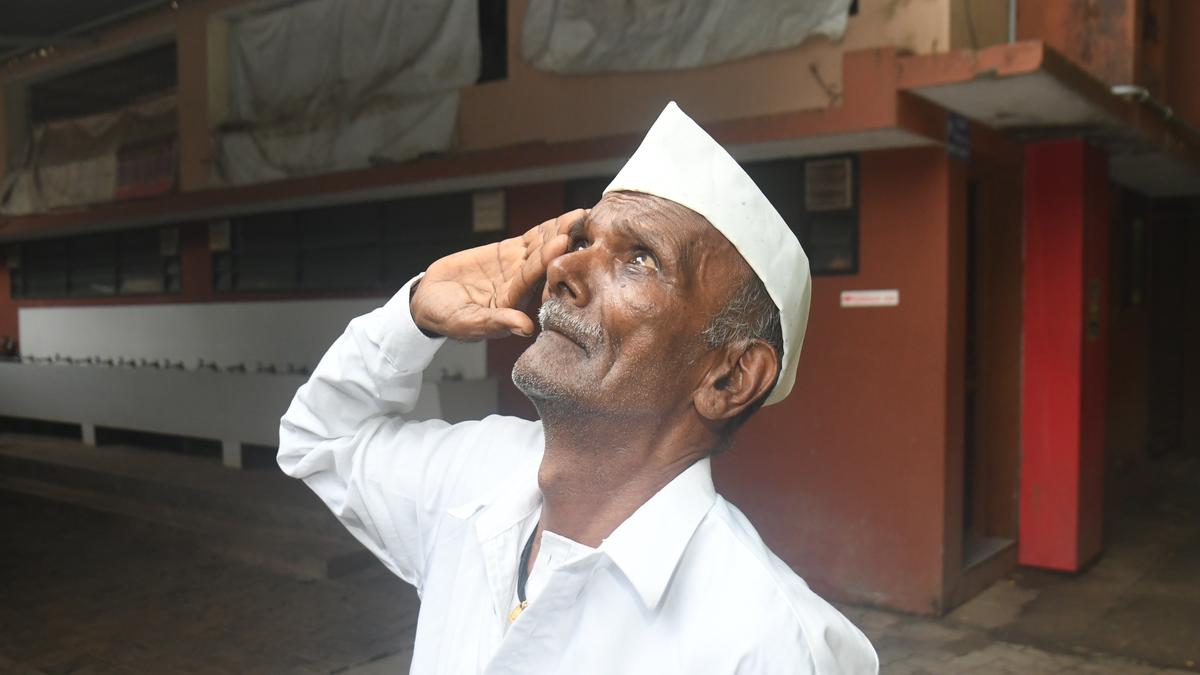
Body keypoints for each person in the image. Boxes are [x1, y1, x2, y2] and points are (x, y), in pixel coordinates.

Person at [278, 102, 878, 674]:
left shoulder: (763, 643)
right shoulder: (476, 479)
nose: (562, 269)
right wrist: (414, 313)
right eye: (585, 240)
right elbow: (321, 438)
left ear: (729, 377)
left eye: (640, 259)